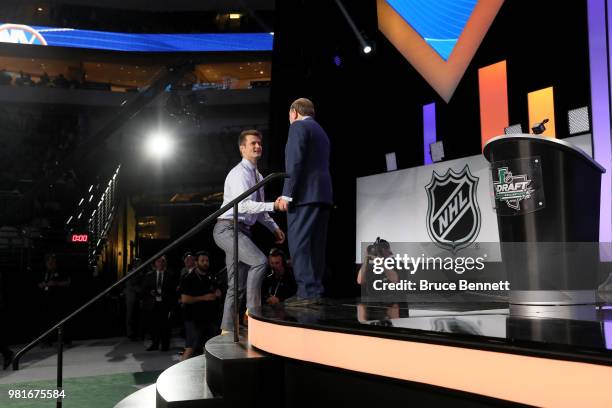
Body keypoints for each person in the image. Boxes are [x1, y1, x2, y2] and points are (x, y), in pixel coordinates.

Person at [213, 129, 285, 334]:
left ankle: (226, 330)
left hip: (242, 231)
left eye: (259, 143)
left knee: (236, 286)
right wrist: (275, 206)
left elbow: (259, 210)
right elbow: (243, 206)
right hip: (227, 228)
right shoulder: (238, 173)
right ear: (242, 148)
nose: (257, 146)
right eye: (252, 143)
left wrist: (275, 228)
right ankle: (253, 313)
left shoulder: (258, 175)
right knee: (261, 261)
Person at [276, 98, 332, 302]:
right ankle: (314, 291)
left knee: (300, 245)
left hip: (303, 197)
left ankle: (306, 293)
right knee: (316, 246)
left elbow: (295, 161)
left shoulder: (298, 126)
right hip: (322, 196)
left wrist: (286, 194)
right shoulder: (321, 131)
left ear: (293, 112)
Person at [179, 251, 221, 360]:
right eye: (202, 260)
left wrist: (218, 293)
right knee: (191, 347)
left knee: (208, 347)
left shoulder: (212, 276)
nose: (205, 263)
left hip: (210, 317)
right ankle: (180, 372)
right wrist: (204, 297)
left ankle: (204, 372)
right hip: (193, 318)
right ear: (196, 262)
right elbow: (185, 299)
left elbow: (216, 292)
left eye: (207, 260)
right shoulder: (188, 277)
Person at [142, 255, 177, 351]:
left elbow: (173, 292)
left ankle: (165, 345)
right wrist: (150, 292)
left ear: (165, 263)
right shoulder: (149, 275)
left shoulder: (170, 275)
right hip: (153, 304)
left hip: (165, 304)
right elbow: (144, 289)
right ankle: (155, 344)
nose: (160, 263)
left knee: (165, 325)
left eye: (162, 261)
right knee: (154, 325)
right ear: (155, 263)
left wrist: (172, 306)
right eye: (158, 261)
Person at [38, 253, 72, 346]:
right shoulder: (44, 272)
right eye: (48, 262)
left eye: (52, 262)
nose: (50, 264)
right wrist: (43, 285)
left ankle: (66, 340)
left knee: (62, 320)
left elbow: (68, 282)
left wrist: (55, 284)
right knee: (47, 322)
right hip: (47, 301)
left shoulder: (61, 271)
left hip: (59, 300)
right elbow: (39, 284)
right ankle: (47, 341)